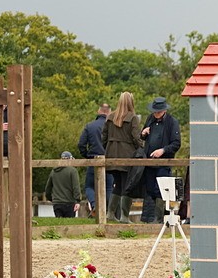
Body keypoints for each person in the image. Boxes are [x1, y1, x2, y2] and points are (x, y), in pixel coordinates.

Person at [140, 97, 181, 223]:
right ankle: (148, 218)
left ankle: (158, 219)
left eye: (158, 112)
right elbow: (142, 137)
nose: (156, 114)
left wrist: (163, 150)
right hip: (149, 161)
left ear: (164, 111)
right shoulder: (150, 119)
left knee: (160, 190)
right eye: (155, 112)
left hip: (164, 162)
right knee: (149, 189)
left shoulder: (172, 122)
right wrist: (143, 133)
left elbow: (176, 143)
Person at [104, 92, 143, 222]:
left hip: (112, 155)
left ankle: (110, 213)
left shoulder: (110, 117)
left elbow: (104, 137)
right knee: (127, 185)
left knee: (118, 185)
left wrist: (108, 150)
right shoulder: (132, 118)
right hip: (127, 155)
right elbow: (136, 137)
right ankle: (124, 216)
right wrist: (142, 148)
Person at [77, 103, 112, 217]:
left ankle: (94, 205)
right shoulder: (113, 126)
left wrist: (87, 156)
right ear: (109, 112)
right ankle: (106, 210)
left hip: (94, 160)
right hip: (109, 161)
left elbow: (81, 144)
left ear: (99, 111)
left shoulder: (90, 126)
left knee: (89, 186)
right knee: (109, 187)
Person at [45, 152, 83, 218]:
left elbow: (48, 188)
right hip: (69, 203)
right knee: (69, 223)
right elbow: (76, 187)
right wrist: (77, 201)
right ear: (70, 159)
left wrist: (52, 199)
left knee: (59, 222)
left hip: (57, 203)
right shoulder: (73, 171)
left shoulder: (53, 171)